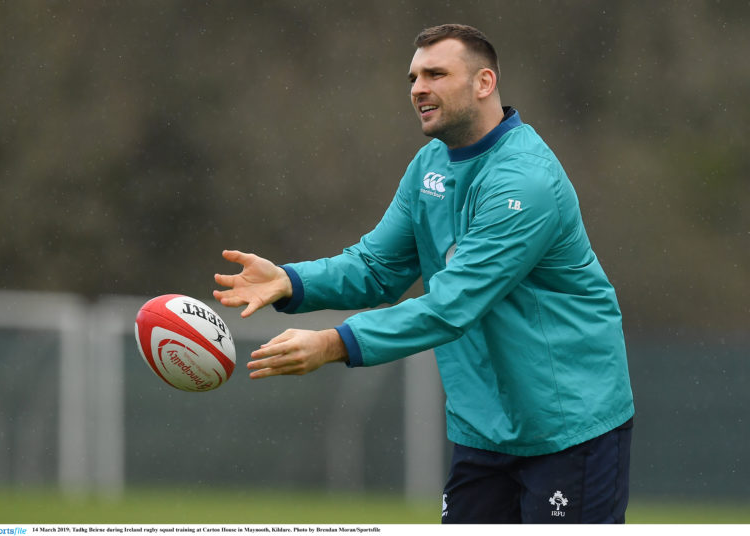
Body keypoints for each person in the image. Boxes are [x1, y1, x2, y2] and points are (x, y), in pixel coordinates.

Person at [213, 24, 634, 524]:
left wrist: (332, 344)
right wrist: (291, 281)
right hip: (482, 428)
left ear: (484, 83)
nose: (418, 88)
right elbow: (377, 266)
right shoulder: (429, 164)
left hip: (568, 426)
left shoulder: (525, 182)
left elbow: (451, 306)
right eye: (413, 76)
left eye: (436, 73)